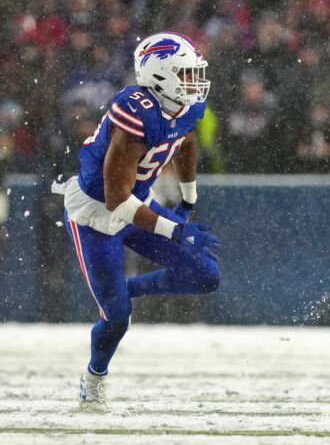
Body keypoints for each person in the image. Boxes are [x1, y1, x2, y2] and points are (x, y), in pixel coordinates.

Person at [53, 32, 221, 412]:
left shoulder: (185, 106)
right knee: (116, 321)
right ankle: (94, 378)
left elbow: (186, 141)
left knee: (205, 275)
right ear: (160, 74)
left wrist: (189, 197)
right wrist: (175, 229)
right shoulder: (135, 110)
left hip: (137, 204)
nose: (195, 81)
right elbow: (115, 199)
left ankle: (123, 292)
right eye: (186, 72)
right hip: (96, 214)